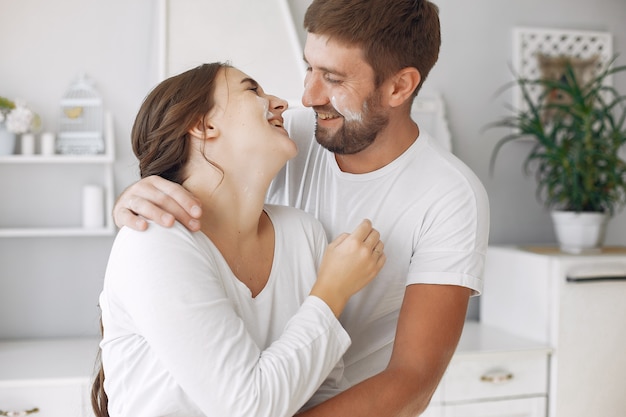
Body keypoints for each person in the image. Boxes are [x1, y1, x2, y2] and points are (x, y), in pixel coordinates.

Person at [113, 0, 490, 415]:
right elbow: (201, 168)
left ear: (399, 87)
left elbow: (411, 381)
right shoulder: (291, 135)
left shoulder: (450, 197)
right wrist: (142, 197)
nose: (306, 97)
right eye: (309, 67)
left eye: (332, 78)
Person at [93, 62, 387, 417]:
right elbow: (247, 406)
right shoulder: (154, 240)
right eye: (253, 90)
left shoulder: (302, 232)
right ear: (204, 125)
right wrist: (331, 292)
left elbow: (320, 391)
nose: (280, 103)